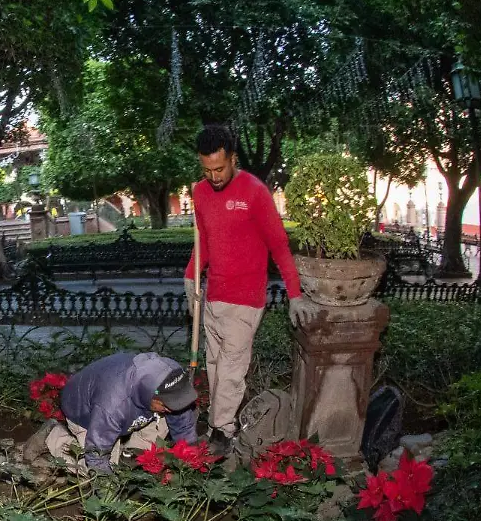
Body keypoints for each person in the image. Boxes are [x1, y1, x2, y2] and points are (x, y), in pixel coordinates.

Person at [184, 125, 318, 455]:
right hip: (213, 296)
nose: (213, 176)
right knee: (214, 366)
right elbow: (203, 242)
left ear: (233, 158)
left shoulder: (255, 192)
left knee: (230, 369)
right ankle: (221, 424)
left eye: (219, 168)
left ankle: (221, 433)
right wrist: (190, 279)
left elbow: (279, 245)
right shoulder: (199, 192)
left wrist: (295, 294)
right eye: (207, 169)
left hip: (245, 300)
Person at [46, 352, 199, 474]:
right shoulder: (112, 404)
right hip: (83, 410)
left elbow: (183, 425)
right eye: (166, 405)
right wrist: (108, 491)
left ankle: (131, 454)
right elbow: (96, 456)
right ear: (150, 395)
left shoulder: (167, 380)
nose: (172, 409)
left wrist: (189, 456)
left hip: (132, 403)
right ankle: (54, 437)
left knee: (167, 418)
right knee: (91, 468)